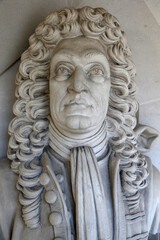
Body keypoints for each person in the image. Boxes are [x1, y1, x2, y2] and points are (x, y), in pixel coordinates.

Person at [0, 6, 160, 240]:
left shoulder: (150, 186)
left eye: (95, 70)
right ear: (44, 87)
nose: (77, 85)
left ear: (113, 88)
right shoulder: (4, 187)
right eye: (63, 69)